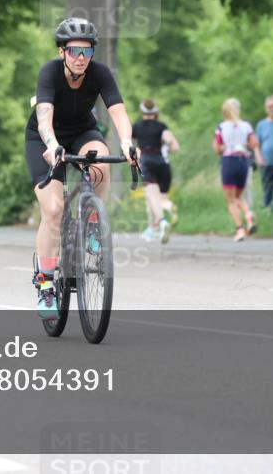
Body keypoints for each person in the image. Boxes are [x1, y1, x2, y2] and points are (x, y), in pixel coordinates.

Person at [25, 17, 139, 319]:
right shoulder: (49, 72)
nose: (80, 58)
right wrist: (51, 145)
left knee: (101, 161)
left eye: (87, 52)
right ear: (62, 51)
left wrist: (127, 143)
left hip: (82, 132)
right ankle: (46, 284)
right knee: (52, 210)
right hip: (44, 138)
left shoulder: (100, 73)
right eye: (74, 51)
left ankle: (92, 223)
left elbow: (118, 112)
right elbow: (44, 117)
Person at [133, 98, 180, 243]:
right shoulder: (161, 126)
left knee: (151, 195)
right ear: (156, 112)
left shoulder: (137, 126)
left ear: (142, 111)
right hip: (162, 163)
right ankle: (153, 227)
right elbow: (174, 146)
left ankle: (161, 221)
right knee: (156, 198)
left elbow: (131, 145)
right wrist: (166, 145)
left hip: (147, 161)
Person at [214, 98, 258, 242]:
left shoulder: (221, 127)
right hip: (243, 162)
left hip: (229, 161)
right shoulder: (246, 126)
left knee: (231, 200)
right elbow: (254, 143)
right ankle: (248, 215)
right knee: (239, 196)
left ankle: (239, 229)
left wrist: (224, 147)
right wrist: (243, 144)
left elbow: (217, 148)